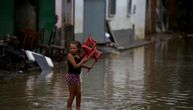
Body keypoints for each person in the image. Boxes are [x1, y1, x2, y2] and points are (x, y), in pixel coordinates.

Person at [66, 41, 91, 109]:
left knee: (78, 94)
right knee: (72, 94)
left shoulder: (78, 55)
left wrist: (86, 67)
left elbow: (79, 65)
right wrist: (83, 60)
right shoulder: (69, 55)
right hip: (71, 76)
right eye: (70, 48)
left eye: (74, 48)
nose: (72, 49)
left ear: (78, 49)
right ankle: (68, 108)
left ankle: (78, 107)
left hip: (77, 76)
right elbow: (75, 66)